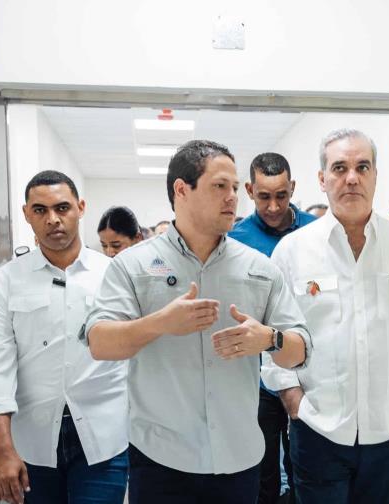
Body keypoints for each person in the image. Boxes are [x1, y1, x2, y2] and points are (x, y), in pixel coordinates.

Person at [85, 140, 311, 504]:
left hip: (238, 459)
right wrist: (159, 323)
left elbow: (300, 351)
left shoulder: (260, 269)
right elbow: (100, 342)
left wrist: (269, 339)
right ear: (181, 190)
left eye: (235, 188)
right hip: (161, 461)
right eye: (219, 186)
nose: (232, 198)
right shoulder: (133, 265)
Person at [262, 128, 389, 504]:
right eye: (339, 168)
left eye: (362, 167)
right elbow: (273, 340)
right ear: (322, 179)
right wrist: (295, 403)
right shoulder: (292, 252)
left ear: (376, 175)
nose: (351, 177)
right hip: (318, 430)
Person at [0, 170, 128, 504]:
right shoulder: (5, 282)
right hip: (33, 439)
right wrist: (2, 448)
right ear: (27, 214)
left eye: (62, 208)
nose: (53, 219)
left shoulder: (113, 276)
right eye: (41, 210)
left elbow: (135, 353)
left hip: (105, 437)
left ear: (81, 207)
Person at [228, 152, 317, 503]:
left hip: (307, 372)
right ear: (250, 190)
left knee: (305, 471)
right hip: (257, 379)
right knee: (261, 474)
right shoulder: (236, 239)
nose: (274, 206)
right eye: (264, 196)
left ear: (292, 187)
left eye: (282, 195)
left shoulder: (316, 232)